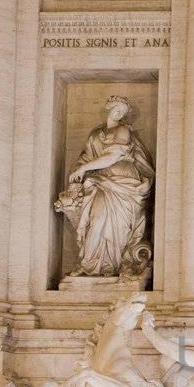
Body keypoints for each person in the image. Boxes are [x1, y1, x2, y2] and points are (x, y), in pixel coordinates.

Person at [55, 95, 154, 278]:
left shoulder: (124, 130)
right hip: (100, 181)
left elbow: (113, 156)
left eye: (123, 112)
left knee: (119, 227)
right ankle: (89, 264)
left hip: (123, 180)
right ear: (109, 108)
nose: (119, 113)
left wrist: (85, 168)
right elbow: (85, 157)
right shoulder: (95, 135)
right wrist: (79, 169)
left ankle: (113, 266)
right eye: (117, 109)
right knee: (97, 219)